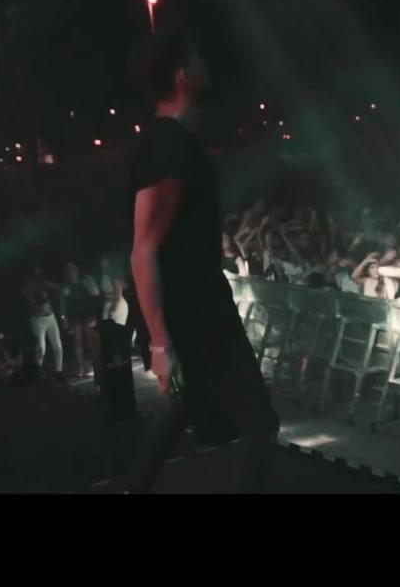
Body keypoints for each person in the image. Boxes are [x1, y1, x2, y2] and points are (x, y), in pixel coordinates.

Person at [122, 31, 280, 493]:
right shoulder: (169, 145)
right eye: (197, 58)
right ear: (182, 76)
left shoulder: (171, 141)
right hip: (197, 305)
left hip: (194, 298)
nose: (206, 64)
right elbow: (144, 248)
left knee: (193, 401)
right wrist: (158, 343)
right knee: (259, 422)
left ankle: (135, 486)